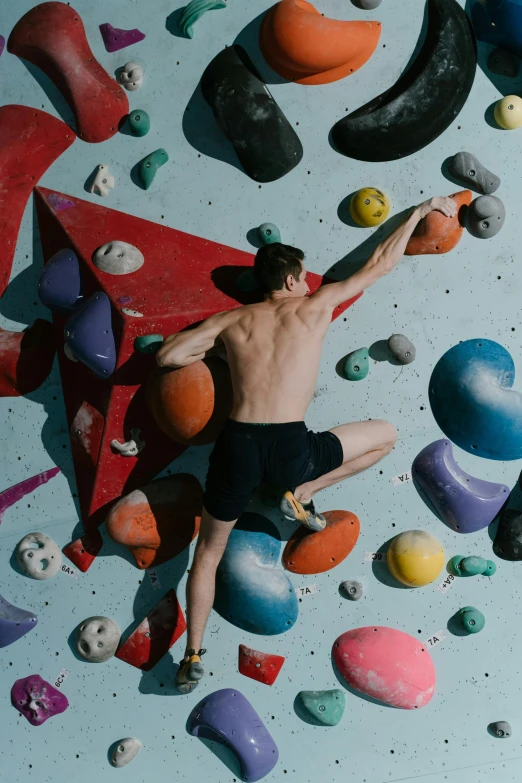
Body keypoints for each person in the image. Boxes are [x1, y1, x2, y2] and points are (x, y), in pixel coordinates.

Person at [156, 195, 457, 693]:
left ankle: (192, 654)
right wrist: (420, 210)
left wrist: (224, 356)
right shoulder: (315, 305)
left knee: (207, 554)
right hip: (293, 448)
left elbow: (169, 356)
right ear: (295, 279)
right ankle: (305, 490)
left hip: (238, 445)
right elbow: (382, 262)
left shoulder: (234, 322)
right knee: (385, 436)